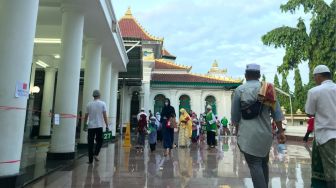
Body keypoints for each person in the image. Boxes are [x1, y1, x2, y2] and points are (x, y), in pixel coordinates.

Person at [231, 63, 285, 188]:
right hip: (265, 134)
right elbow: (277, 113)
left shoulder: (240, 90)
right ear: (259, 75)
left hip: (248, 135)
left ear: (245, 75)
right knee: (263, 163)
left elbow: (235, 117)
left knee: (255, 165)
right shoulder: (268, 89)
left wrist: (238, 132)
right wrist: (281, 131)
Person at [305, 65, 336, 188]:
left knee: (331, 171)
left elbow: (309, 112)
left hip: (325, 136)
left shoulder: (314, 91)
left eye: (314, 77)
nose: (314, 80)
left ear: (318, 76)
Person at [84, 90, 109, 164]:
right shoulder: (102, 104)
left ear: (93, 96)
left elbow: (86, 116)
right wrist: (107, 125)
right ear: (99, 95)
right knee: (100, 141)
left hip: (90, 126)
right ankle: (96, 153)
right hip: (99, 126)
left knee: (90, 143)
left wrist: (85, 124)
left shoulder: (89, 104)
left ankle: (90, 160)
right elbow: (104, 115)